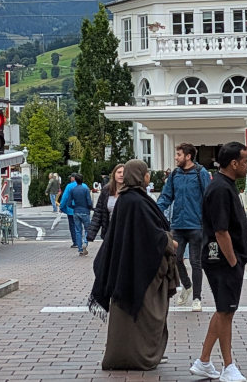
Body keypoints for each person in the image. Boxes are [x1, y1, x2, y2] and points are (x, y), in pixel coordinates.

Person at [89, 159, 180, 371]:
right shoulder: (135, 201)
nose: (148, 175)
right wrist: (169, 241)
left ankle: (136, 353)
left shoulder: (131, 199)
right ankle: (140, 355)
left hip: (131, 265)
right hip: (140, 268)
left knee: (137, 316)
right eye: (146, 172)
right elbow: (149, 233)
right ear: (140, 176)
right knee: (146, 314)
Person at [191, 142, 247, 382]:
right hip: (222, 260)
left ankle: (204, 361)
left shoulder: (224, 186)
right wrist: (234, 262)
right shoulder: (220, 189)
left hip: (223, 259)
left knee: (224, 310)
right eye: (245, 161)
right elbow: (221, 231)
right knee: (226, 311)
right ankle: (228, 366)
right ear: (234, 163)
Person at [157, 142, 211, 312]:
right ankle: (186, 286)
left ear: (188, 156)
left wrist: (209, 222)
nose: (176, 157)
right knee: (175, 258)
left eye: (179, 154)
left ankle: (197, 298)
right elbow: (166, 196)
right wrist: (154, 212)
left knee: (196, 262)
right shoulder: (175, 174)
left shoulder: (200, 173)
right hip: (178, 225)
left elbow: (208, 198)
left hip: (196, 225)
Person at [88, 164, 124, 243]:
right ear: (114, 174)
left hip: (125, 233)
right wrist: (91, 234)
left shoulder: (131, 191)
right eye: (119, 172)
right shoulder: (106, 190)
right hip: (109, 232)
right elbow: (98, 212)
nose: (121, 175)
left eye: (124, 173)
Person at [70, 174, 94, 256]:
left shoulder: (73, 190)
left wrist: (73, 207)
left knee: (78, 230)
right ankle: (85, 242)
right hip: (85, 211)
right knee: (87, 229)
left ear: (75, 180)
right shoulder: (85, 189)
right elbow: (89, 201)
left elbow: (69, 202)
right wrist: (91, 207)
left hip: (76, 211)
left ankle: (80, 248)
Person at [58, 175, 78, 248]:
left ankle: (76, 242)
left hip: (71, 210)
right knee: (80, 226)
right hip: (82, 209)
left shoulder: (69, 186)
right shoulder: (84, 185)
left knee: (72, 226)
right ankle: (82, 241)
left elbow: (65, 197)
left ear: (73, 178)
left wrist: (61, 206)